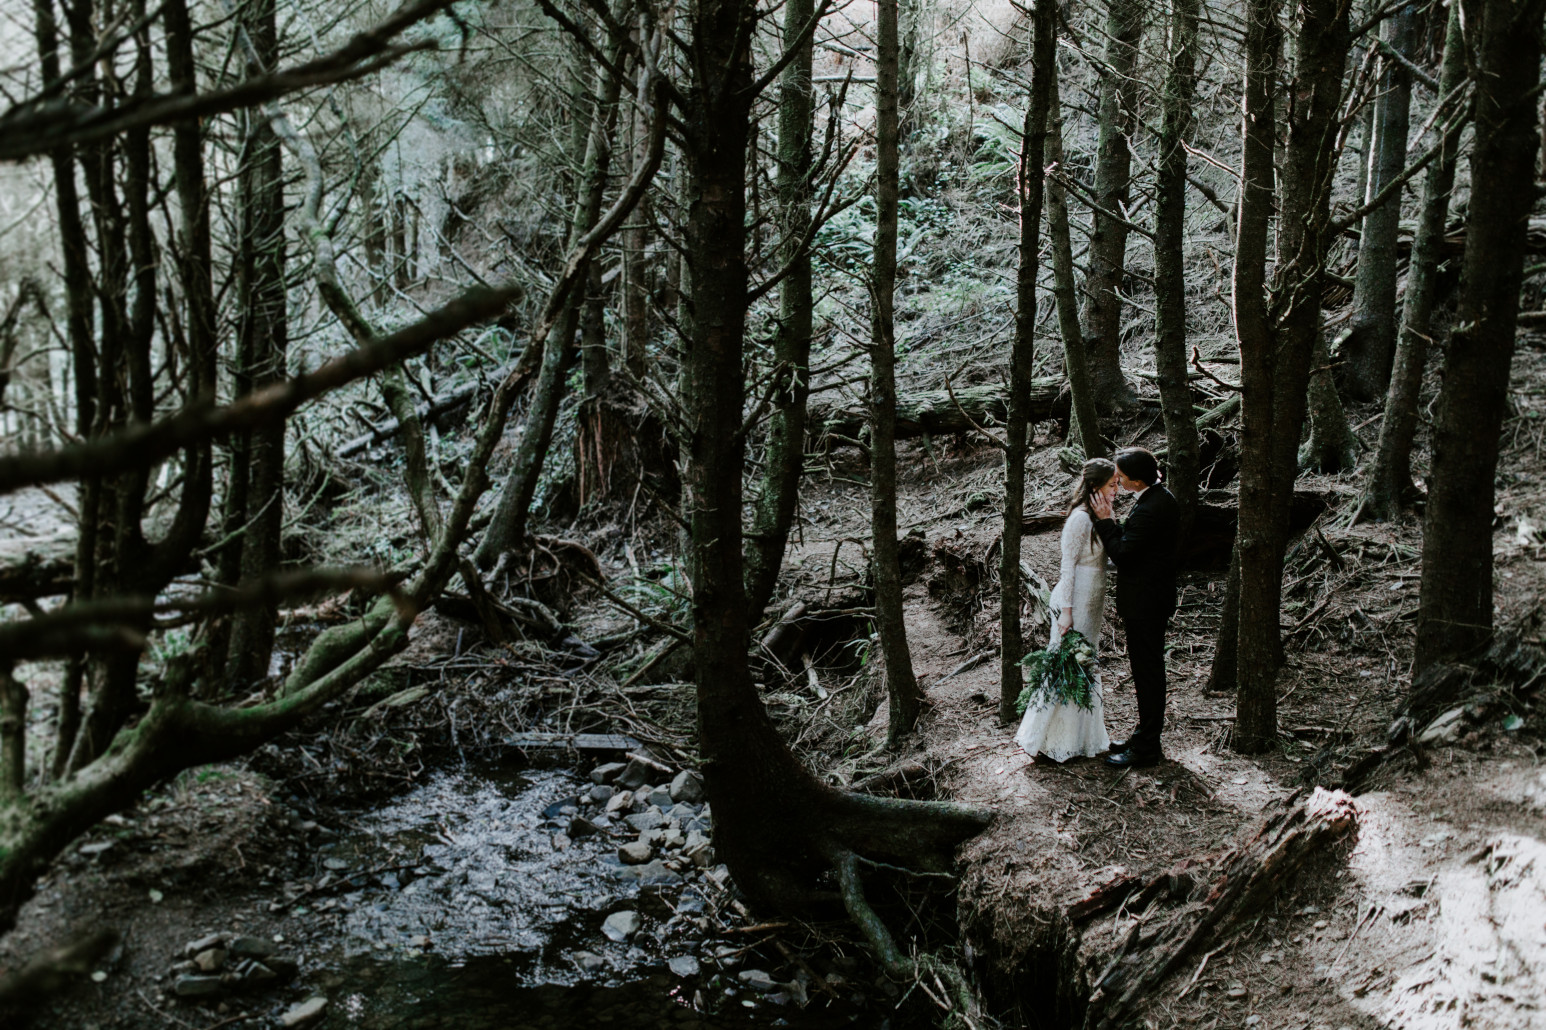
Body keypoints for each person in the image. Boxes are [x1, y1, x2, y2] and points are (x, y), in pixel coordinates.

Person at [1014, 458, 1117, 762]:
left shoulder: (1100, 515)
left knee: (1084, 666)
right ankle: (1048, 740)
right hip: (1074, 600)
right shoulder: (1080, 519)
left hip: (1093, 599)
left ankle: (1078, 738)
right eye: (1112, 485)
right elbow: (1067, 568)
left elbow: (1104, 559)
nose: (1116, 490)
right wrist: (1068, 612)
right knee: (1067, 666)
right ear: (1095, 486)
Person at [1089, 446, 1180, 768]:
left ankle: (1147, 748)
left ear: (1138, 481)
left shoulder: (1152, 507)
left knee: (1147, 673)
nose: (1118, 481)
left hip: (1146, 602)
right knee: (1147, 671)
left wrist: (1105, 521)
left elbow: (1123, 554)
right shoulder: (1159, 498)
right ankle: (1144, 736)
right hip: (1151, 598)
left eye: (1122, 478)